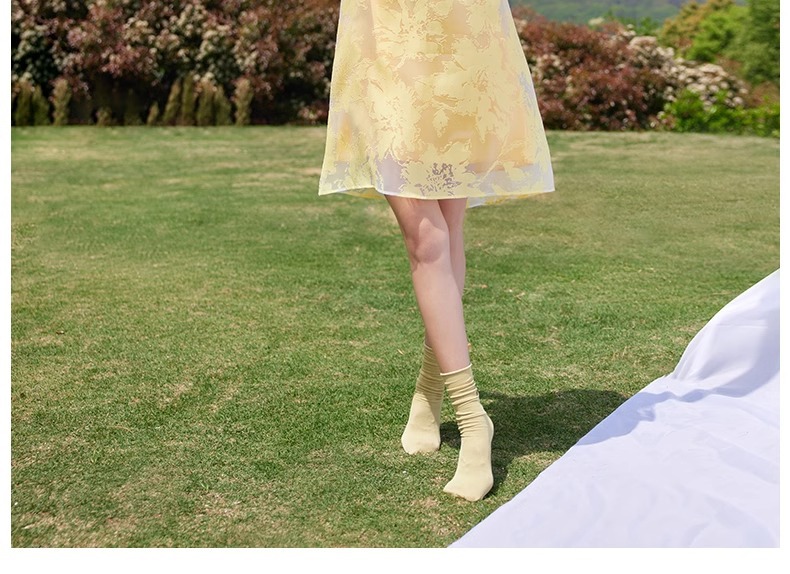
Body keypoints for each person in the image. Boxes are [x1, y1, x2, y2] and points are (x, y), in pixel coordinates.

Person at [318, 0, 554, 502]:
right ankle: (472, 417)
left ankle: (430, 388)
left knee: (448, 228)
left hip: (460, 39)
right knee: (426, 239)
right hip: (385, 44)